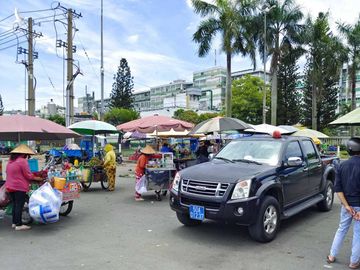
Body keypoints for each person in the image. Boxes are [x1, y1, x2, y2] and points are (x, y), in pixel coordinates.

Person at [327, 138, 360, 269]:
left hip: (346, 206)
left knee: (341, 229)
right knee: (358, 233)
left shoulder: (342, 165)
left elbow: (338, 189)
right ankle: (354, 262)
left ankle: (331, 256)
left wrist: (346, 206)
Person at [5, 144, 43, 231]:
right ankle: (19, 225)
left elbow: (8, 172)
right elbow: (28, 176)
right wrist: (37, 178)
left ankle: (14, 223)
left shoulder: (11, 161)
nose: (27, 156)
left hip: (10, 186)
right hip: (19, 187)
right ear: (23, 154)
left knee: (15, 204)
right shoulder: (22, 161)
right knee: (19, 205)